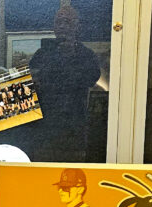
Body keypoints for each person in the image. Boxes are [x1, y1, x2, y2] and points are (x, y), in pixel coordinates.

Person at [28, 6, 100, 162]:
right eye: (58, 22)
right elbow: (31, 80)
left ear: (76, 26)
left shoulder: (86, 55)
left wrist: (71, 56)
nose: (61, 26)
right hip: (43, 127)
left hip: (73, 127)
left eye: (66, 22)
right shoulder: (43, 54)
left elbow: (91, 78)